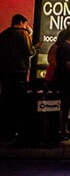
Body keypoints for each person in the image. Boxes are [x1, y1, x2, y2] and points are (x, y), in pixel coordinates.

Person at [0, 14, 37, 143]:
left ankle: (5, 131)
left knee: (6, 99)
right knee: (18, 100)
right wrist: (34, 46)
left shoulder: (4, 34)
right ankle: (17, 130)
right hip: (19, 70)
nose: (27, 27)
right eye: (26, 24)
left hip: (5, 71)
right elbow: (28, 52)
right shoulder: (22, 33)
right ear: (21, 22)